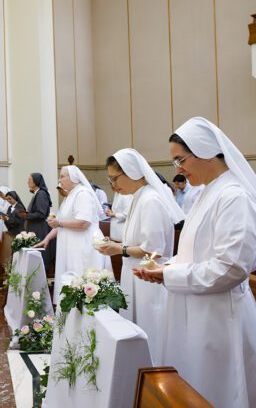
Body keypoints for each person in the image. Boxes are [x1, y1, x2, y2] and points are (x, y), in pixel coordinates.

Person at [136, 117, 256, 408]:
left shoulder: (235, 196)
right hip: (195, 306)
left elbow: (231, 268)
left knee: (219, 390)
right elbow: (193, 252)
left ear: (205, 151)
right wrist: (166, 266)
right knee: (192, 386)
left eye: (180, 160)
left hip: (220, 317)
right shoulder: (208, 192)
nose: (178, 169)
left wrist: (169, 275)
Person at [98, 149, 184, 364]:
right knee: (134, 330)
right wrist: (118, 246)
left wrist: (120, 249)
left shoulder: (151, 200)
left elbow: (153, 250)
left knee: (150, 332)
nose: (113, 185)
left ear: (131, 172)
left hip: (149, 279)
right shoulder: (139, 197)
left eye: (114, 178)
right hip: (136, 274)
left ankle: (151, 373)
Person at [35, 166, 112, 303]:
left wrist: (59, 223)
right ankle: (71, 312)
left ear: (74, 178)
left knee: (82, 282)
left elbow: (84, 223)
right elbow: (61, 223)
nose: (59, 180)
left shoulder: (83, 194)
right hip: (72, 245)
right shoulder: (70, 195)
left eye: (62, 176)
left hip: (83, 245)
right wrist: (47, 238)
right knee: (71, 281)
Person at [26, 173, 55, 270]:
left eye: (29, 179)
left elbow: (41, 214)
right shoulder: (37, 193)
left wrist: (26, 215)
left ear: (36, 181)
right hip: (36, 227)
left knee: (40, 253)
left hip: (40, 228)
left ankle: (40, 273)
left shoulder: (41, 194)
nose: (27, 181)